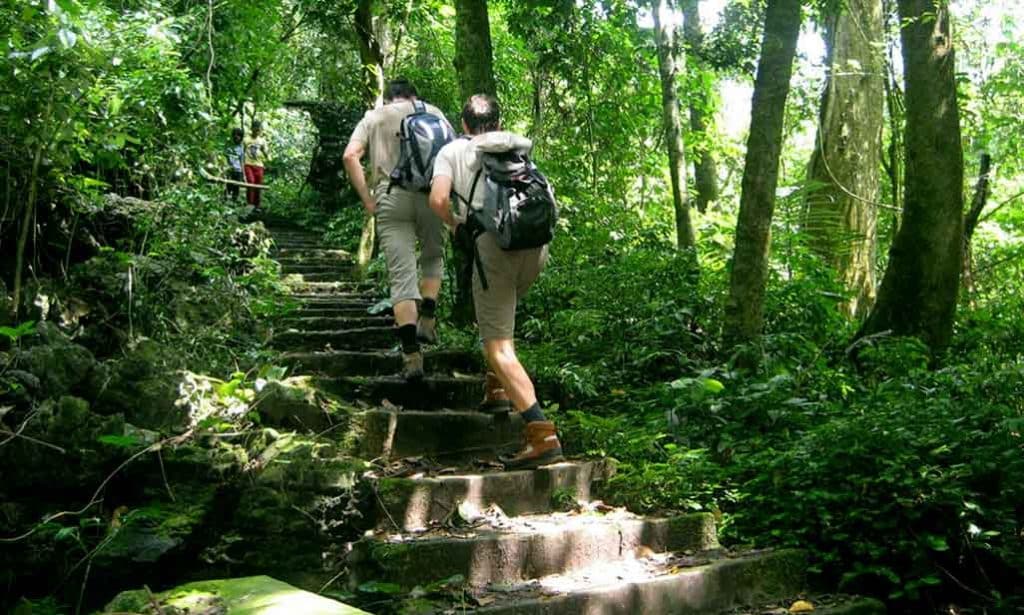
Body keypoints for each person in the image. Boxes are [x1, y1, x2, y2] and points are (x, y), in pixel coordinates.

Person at [428, 94, 564, 470]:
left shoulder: (453, 151)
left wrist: (456, 223)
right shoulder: (515, 149)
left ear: (464, 123)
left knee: (498, 346)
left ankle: (541, 433)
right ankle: (498, 390)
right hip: (536, 246)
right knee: (500, 318)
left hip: (495, 247)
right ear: (497, 121)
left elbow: (439, 199)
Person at [342, 79, 454, 380]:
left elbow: (350, 155)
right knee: (432, 255)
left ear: (388, 98)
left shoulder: (374, 117)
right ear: (414, 96)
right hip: (431, 195)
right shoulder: (435, 112)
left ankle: (411, 355)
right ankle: (428, 316)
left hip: (391, 197)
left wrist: (368, 199)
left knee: (401, 273)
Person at [243, 120, 269, 208]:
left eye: (259, 130)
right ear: (252, 129)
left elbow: (265, 152)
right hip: (248, 164)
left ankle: (257, 205)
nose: (257, 131)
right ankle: (250, 204)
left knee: (258, 185)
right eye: (255, 129)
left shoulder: (262, 141)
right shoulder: (246, 139)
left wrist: (267, 156)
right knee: (251, 182)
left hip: (259, 165)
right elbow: (241, 151)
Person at [225, 128, 244, 202]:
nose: (236, 137)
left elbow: (241, 160)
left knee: (236, 187)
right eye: (235, 135)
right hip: (229, 169)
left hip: (238, 170)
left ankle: (234, 201)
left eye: (238, 135)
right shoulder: (228, 145)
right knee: (228, 185)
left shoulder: (241, 147)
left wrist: (243, 172)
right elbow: (225, 156)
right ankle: (226, 199)